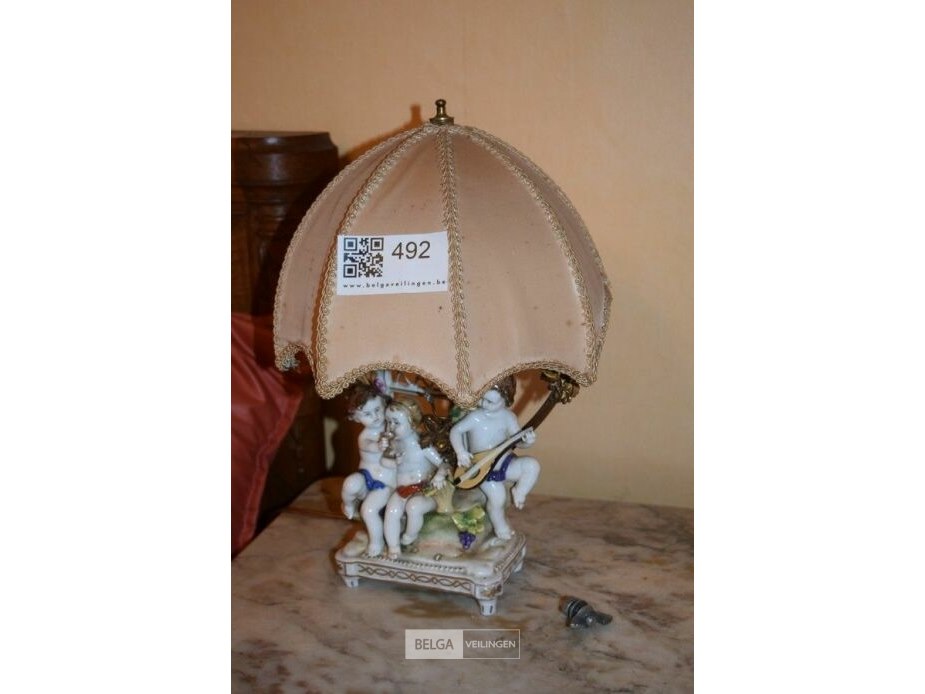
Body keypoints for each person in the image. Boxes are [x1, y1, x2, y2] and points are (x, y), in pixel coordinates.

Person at [449, 376, 540, 541]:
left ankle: (519, 491)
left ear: (506, 399)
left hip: (505, 462)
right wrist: (461, 452)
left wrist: (527, 442)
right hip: (482, 469)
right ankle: (500, 526)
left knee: (532, 466)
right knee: (498, 499)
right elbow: (456, 431)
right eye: (481, 399)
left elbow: (517, 441)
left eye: (490, 402)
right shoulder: (475, 416)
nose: (484, 404)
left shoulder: (508, 417)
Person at [381, 398, 449, 559]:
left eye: (396, 422)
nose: (391, 427)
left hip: (426, 490)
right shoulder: (394, 444)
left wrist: (440, 475)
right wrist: (390, 458)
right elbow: (384, 462)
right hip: (402, 490)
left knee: (414, 507)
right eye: (388, 422)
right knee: (391, 511)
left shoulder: (423, 446)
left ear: (412, 423)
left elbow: (444, 464)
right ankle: (393, 547)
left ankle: (410, 535)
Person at [340, 384, 394, 557]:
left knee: (369, 510)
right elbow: (370, 446)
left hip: (385, 484)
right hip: (366, 477)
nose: (375, 417)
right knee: (350, 484)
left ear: (384, 404)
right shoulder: (364, 436)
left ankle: (376, 541)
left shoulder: (392, 426)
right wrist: (379, 446)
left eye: (377, 409)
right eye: (367, 414)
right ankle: (348, 504)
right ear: (356, 418)